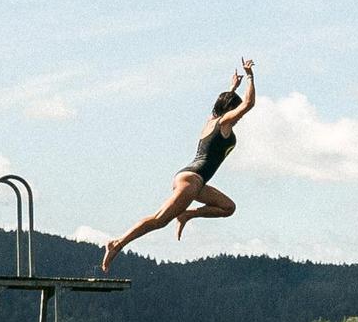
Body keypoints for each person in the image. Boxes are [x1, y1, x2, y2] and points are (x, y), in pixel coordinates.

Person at [102, 58, 256, 272]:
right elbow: (248, 104)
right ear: (228, 111)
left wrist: (233, 87)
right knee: (159, 220)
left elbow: (223, 104)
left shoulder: (211, 120)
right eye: (234, 111)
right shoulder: (223, 123)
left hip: (196, 182)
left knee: (228, 208)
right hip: (191, 180)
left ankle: (188, 214)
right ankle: (117, 243)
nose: (238, 117)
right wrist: (250, 76)